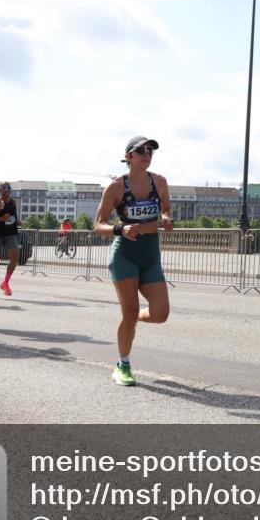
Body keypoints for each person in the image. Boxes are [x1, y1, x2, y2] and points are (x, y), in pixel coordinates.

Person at [95, 136, 173, 386]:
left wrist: (167, 219)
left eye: (150, 150)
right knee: (127, 312)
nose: (147, 154)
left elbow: (166, 209)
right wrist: (120, 229)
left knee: (161, 314)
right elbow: (98, 225)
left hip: (151, 253)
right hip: (125, 254)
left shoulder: (159, 182)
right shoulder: (117, 187)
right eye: (141, 150)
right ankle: (123, 365)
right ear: (129, 156)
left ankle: (134, 314)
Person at [0, 182, 21, 296]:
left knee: (14, 258)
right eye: (4, 188)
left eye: (9, 188)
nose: (7, 189)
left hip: (11, 234)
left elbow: (14, 216)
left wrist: (18, 221)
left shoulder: (13, 202)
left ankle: (5, 283)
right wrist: (2, 219)